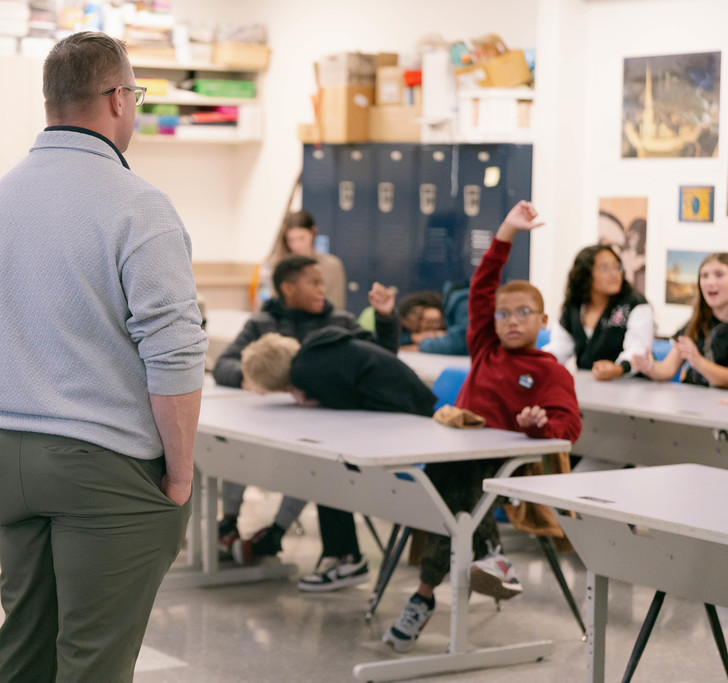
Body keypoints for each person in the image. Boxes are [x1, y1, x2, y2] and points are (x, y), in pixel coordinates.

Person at [0, 32, 206, 682]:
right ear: (118, 99)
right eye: (136, 95)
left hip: (11, 454)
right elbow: (174, 353)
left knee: (24, 649)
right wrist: (179, 475)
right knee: (93, 660)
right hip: (105, 470)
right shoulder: (139, 207)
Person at [384, 201, 582, 653]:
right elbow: (481, 286)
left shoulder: (551, 371)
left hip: (505, 462)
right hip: (460, 455)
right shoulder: (485, 348)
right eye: (503, 313)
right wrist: (506, 232)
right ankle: (488, 554)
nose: (511, 321)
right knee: (450, 488)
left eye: (523, 313)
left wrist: (539, 423)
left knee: (454, 486)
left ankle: (424, 595)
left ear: (544, 321)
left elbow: (569, 429)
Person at [214, 254, 396, 564]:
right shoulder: (262, 323)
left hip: (320, 431)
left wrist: (386, 319)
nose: (321, 289)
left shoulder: (340, 322)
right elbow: (223, 365)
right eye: (313, 283)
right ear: (288, 288)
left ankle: (274, 534)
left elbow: (381, 359)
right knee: (231, 449)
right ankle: (229, 523)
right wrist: (248, 378)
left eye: (322, 283)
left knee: (311, 464)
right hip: (268, 426)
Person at [239, 327, 436, 591]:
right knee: (325, 464)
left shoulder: (304, 372)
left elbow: (344, 405)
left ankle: (346, 559)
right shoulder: (316, 348)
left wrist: (312, 398)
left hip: (407, 422)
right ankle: (342, 555)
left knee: (325, 468)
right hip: (413, 408)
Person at [544, 244, 653, 380]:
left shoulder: (635, 304)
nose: (614, 274)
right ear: (585, 275)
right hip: (588, 384)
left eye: (617, 267)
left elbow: (638, 350)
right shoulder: (575, 306)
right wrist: (541, 361)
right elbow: (560, 346)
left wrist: (618, 369)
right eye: (605, 268)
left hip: (628, 385)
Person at [631, 253, 728, 387]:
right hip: (690, 402)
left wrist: (699, 363)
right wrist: (648, 366)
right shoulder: (695, 323)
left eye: (719, 274)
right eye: (704, 276)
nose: (710, 282)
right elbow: (667, 370)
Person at [249, 210, 347, 312]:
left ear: (313, 233)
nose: (296, 245)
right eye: (291, 240)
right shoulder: (277, 265)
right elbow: (264, 302)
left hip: (320, 324)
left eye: (301, 239)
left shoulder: (331, 265)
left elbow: (337, 307)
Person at [396, 281, 470, 355]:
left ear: (428, 302)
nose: (425, 324)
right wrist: (413, 337)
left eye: (421, 316)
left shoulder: (460, 300)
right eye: (419, 329)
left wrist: (418, 348)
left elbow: (464, 341)